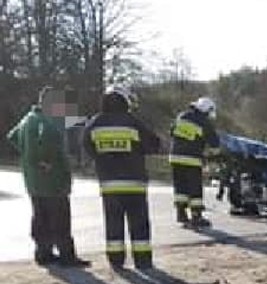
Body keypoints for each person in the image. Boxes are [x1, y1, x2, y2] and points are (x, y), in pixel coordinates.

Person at [6, 86, 90, 267]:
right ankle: (67, 256)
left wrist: (28, 158)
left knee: (40, 217)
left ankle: (43, 253)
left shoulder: (28, 119)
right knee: (60, 218)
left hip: (33, 181)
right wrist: (42, 162)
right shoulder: (44, 122)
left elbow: (12, 137)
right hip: (52, 180)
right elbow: (41, 147)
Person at [82, 85, 161, 270]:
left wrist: (102, 158)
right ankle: (143, 261)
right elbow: (153, 144)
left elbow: (86, 146)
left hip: (109, 184)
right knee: (139, 224)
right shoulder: (132, 122)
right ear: (125, 101)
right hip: (135, 184)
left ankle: (116, 261)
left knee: (113, 223)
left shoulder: (95, 123)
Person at [168, 97, 219, 227]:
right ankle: (196, 216)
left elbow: (171, 132)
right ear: (206, 110)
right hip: (192, 159)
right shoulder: (204, 122)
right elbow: (214, 143)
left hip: (175, 157)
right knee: (194, 188)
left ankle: (181, 214)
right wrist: (214, 155)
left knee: (180, 186)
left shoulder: (182, 116)